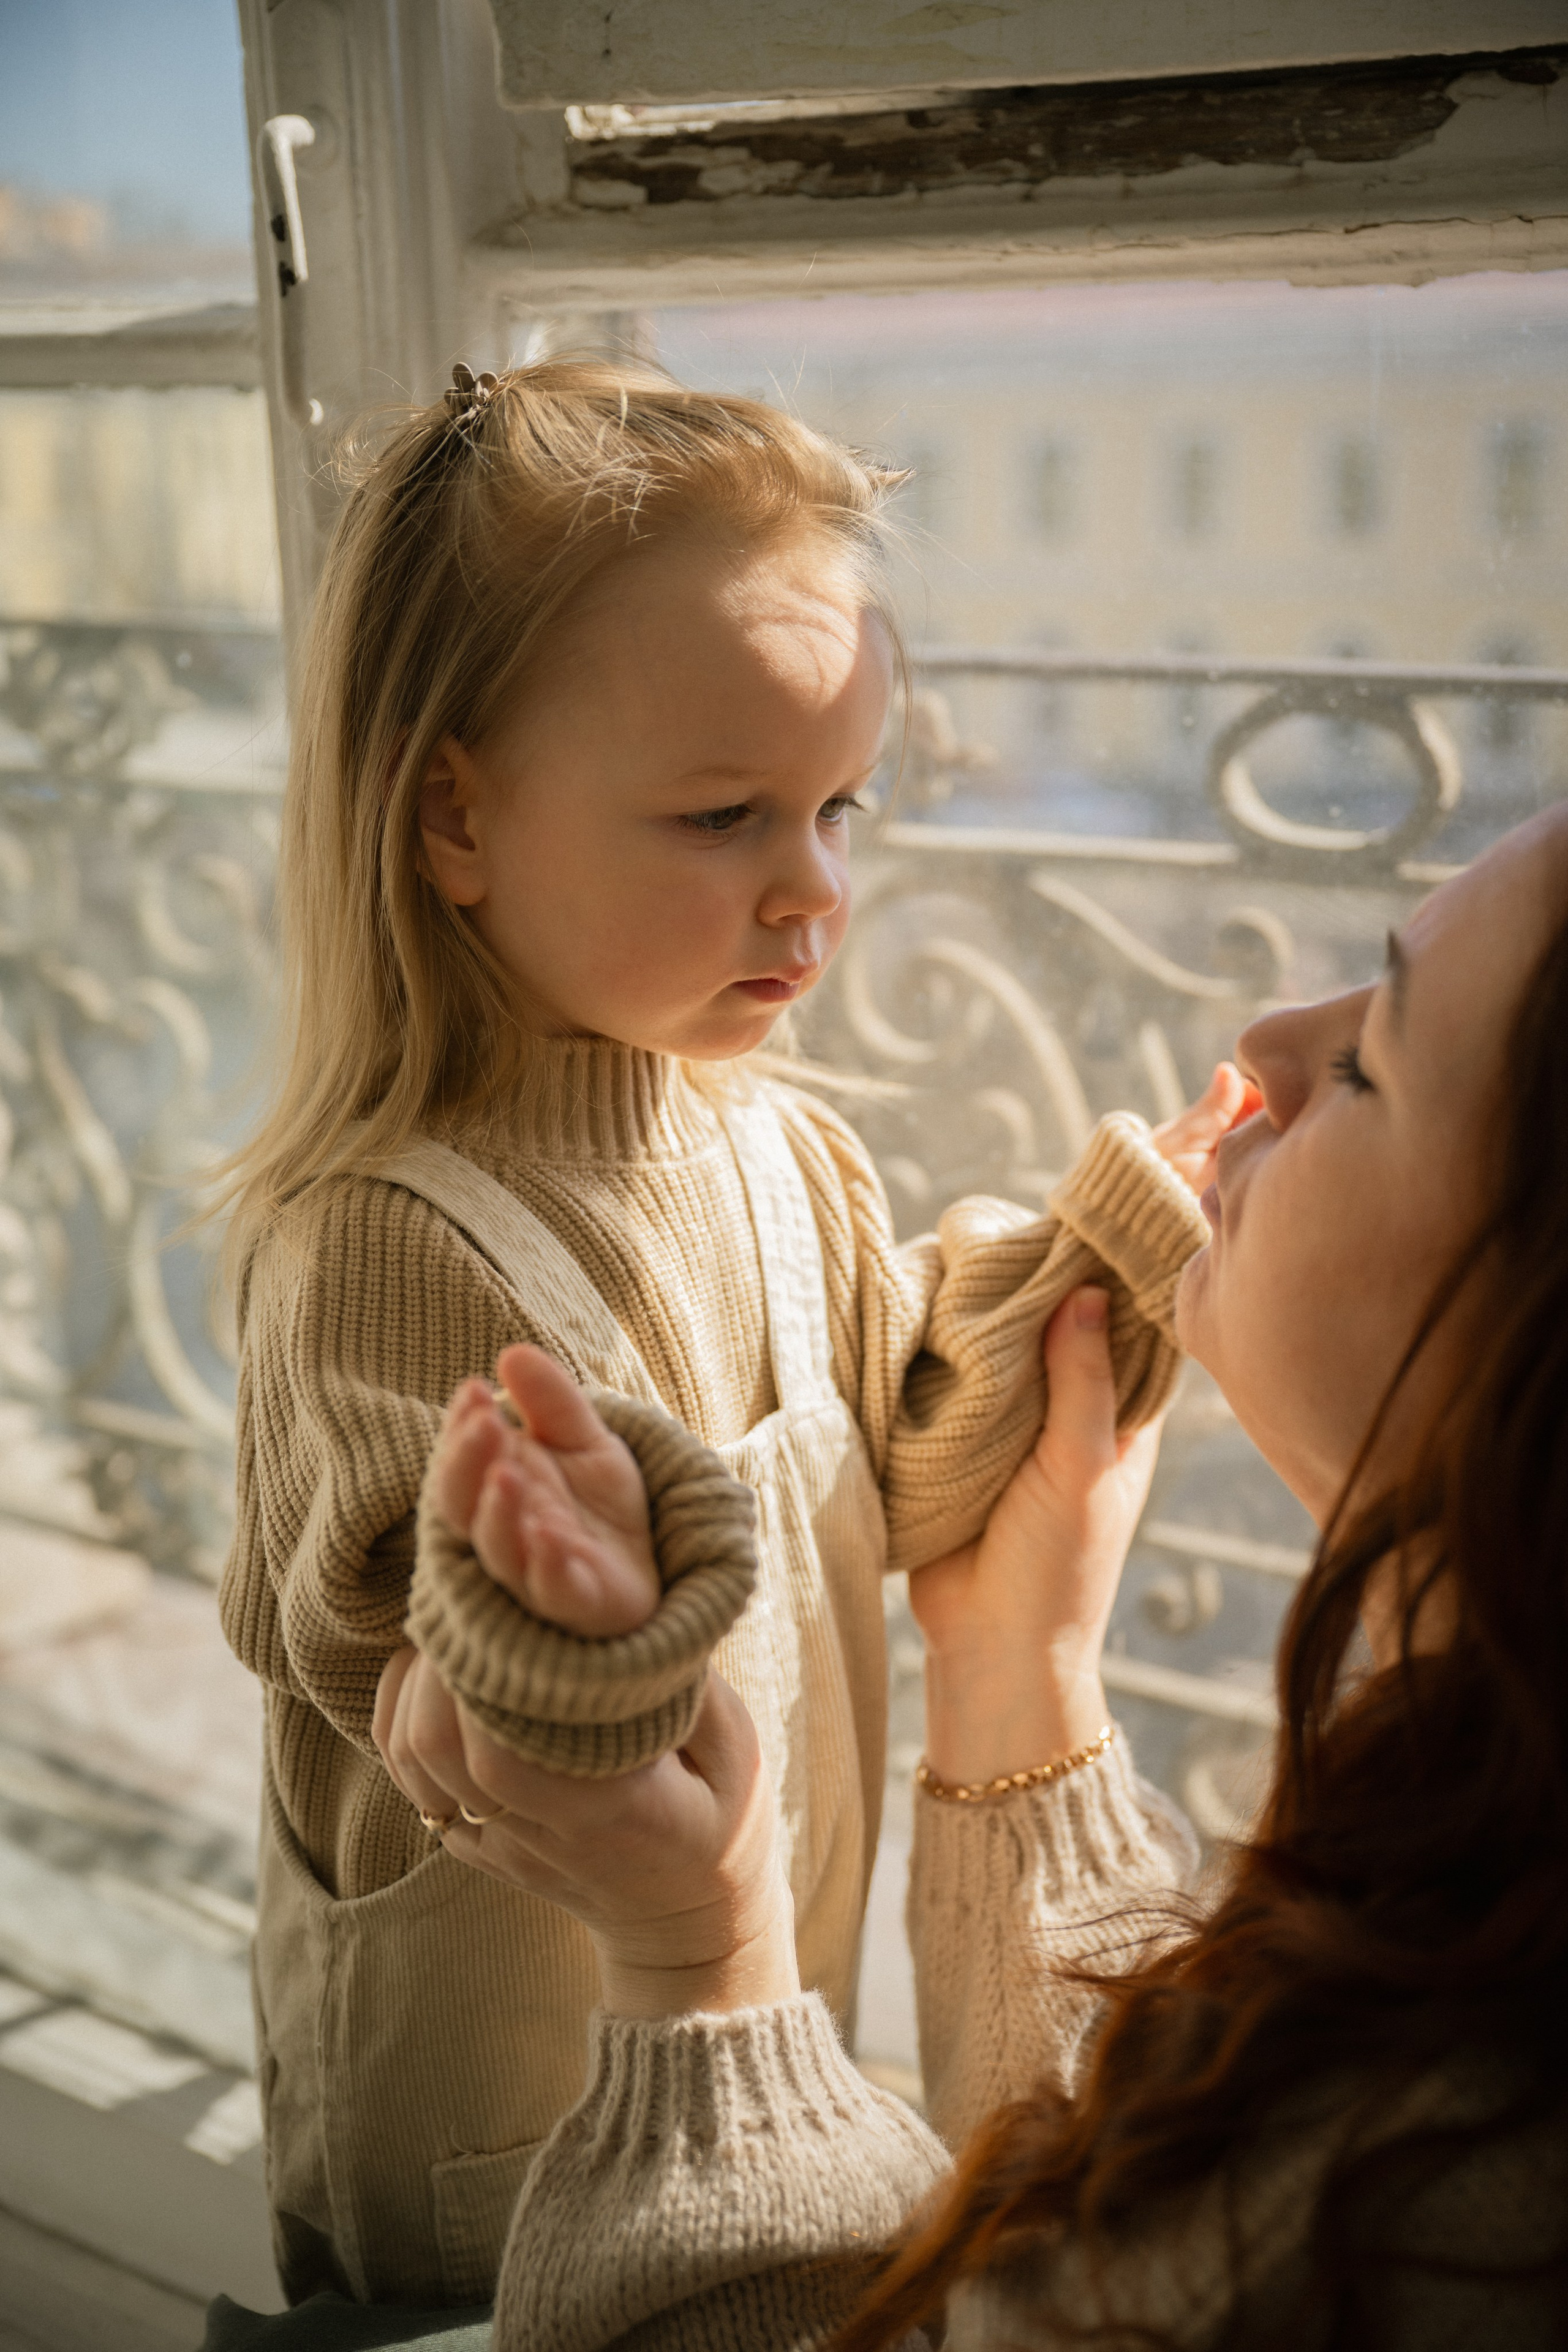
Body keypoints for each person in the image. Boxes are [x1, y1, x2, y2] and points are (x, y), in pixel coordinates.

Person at [214, 355, 1246, 2307]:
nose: (816, 888)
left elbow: (912, 1474)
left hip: (745, 2061)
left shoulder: (791, 1159)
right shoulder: (374, 1249)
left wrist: (1099, 1265)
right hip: (492, 2166)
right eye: (721, 816)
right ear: (454, 815)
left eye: (841, 804)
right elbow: (410, 1690)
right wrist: (554, 1608)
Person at [375, 801, 1568, 2350]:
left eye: (1365, 1066)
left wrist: (700, 1966)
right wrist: (1018, 1674)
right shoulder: (1483, 1921)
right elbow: (1110, 2240)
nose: (1272, 1036)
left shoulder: (1419, 2184)